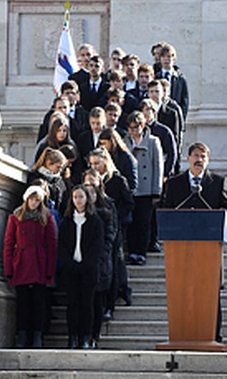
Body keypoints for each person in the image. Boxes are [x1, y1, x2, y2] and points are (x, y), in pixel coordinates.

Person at [161, 141, 227, 342]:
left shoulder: (218, 182)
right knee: (182, 292)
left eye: (203, 156)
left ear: (208, 160)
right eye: (195, 155)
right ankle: (181, 334)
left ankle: (213, 336)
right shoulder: (174, 183)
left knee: (210, 294)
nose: (199, 160)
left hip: (209, 251)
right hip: (180, 251)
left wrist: (222, 217)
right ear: (188, 158)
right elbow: (165, 211)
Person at [4, 185, 57, 348]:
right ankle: (22, 334)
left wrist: (50, 270)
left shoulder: (46, 217)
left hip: (39, 262)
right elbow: (8, 243)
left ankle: (37, 335)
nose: (34, 203)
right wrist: (8, 268)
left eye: (37, 200)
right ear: (26, 199)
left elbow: (52, 244)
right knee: (23, 302)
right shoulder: (16, 217)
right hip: (21, 262)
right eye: (32, 199)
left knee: (38, 303)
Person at [57, 184, 104, 349]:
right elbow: (61, 246)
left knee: (87, 304)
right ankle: (72, 337)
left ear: (87, 199)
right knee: (72, 305)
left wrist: (85, 265)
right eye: (75, 197)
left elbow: (97, 246)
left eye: (81, 197)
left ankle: (85, 337)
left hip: (89, 270)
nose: (78, 200)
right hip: (70, 270)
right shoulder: (66, 221)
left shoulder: (95, 221)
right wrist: (70, 264)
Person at [89, 148, 134, 315]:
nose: (94, 167)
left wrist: (115, 217)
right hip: (95, 229)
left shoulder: (117, 180)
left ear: (105, 162)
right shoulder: (90, 181)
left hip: (114, 229)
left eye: (97, 163)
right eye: (92, 164)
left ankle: (111, 303)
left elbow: (128, 202)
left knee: (114, 267)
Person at [81, 170, 117, 349]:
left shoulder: (106, 213)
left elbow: (111, 238)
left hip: (100, 264)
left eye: (92, 193)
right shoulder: (79, 215)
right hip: (83, 265)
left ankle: (94, 336)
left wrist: (99, 257)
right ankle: (83, 336)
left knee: (97, 303)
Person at [124, 111, 163, 265]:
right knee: (131, 223)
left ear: (142, 126)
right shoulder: (125, 141)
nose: (133, 131)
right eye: (130, 127)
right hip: (131, 189)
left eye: (135, 127)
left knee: (144, 222)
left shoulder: (153, 142)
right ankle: (132, 252)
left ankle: (141, 252)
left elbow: (157, 166)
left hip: (147, 189)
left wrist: (156, 190)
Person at [155, 43, 189, 120]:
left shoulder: (180, 79)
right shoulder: (156, 77)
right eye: (163, 56)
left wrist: (181, 119)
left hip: (175, 117)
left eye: (169, 56)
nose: (166, 60)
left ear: (174, 59)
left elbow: (184, 101)